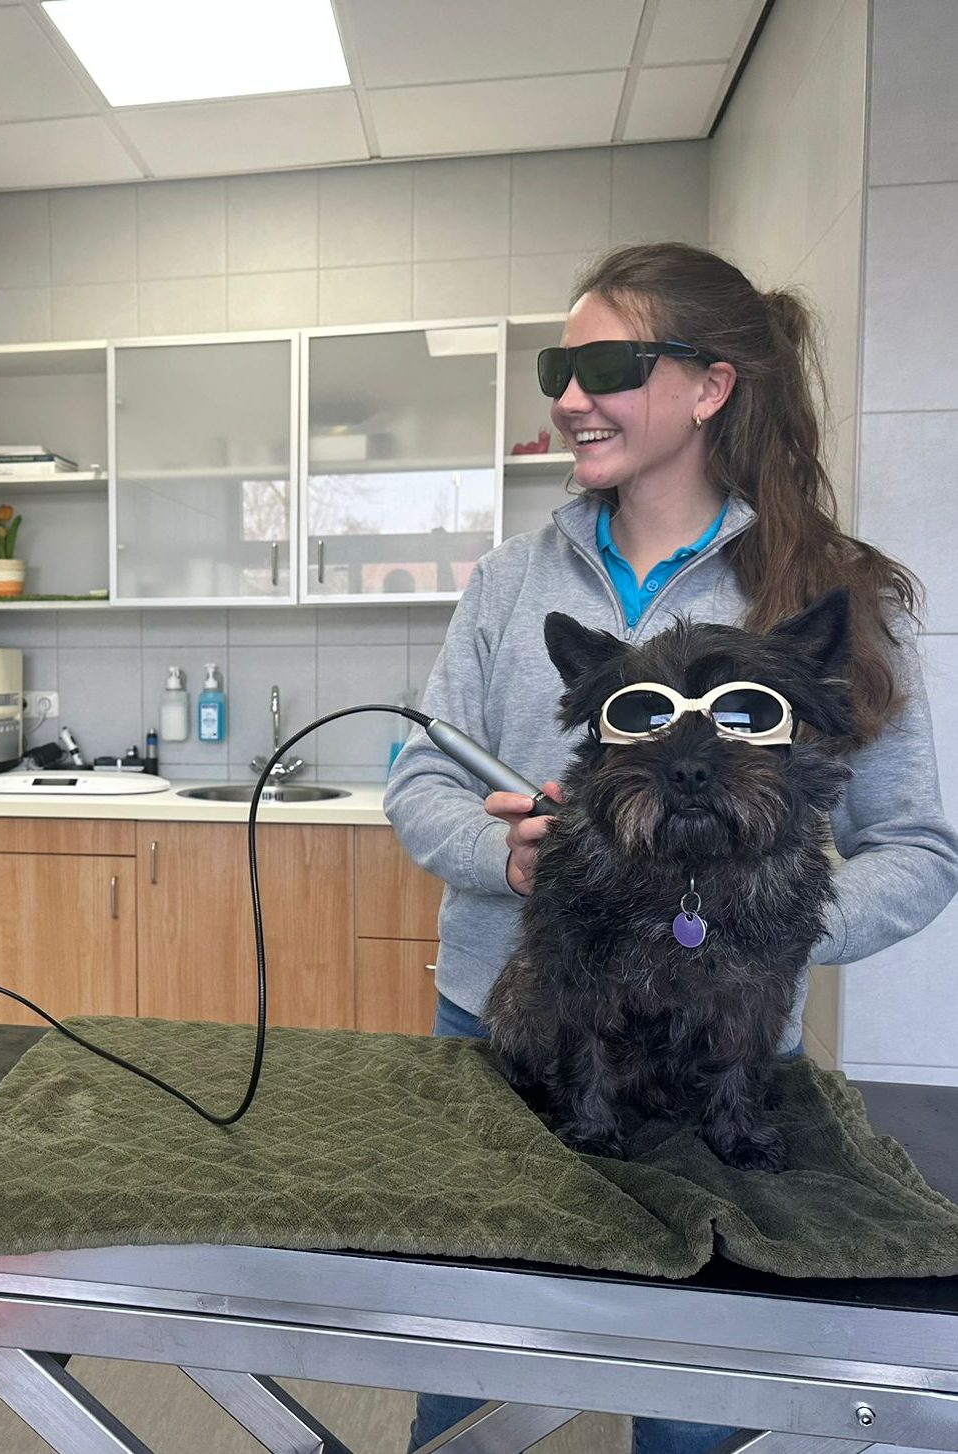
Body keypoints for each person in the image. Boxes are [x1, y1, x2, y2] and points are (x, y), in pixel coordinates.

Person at [383, 241, 958, 1454]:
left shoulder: (829, 592)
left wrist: (782, 917)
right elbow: (420, 777)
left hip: (727, 1070)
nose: (569, 396)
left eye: (607, 366)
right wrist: (508, 856)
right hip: (509, 1038)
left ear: (710, 385)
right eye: (559, 368)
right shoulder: (509, 581)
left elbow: (916, 844)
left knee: (702, 1405)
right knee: (465, 1375)